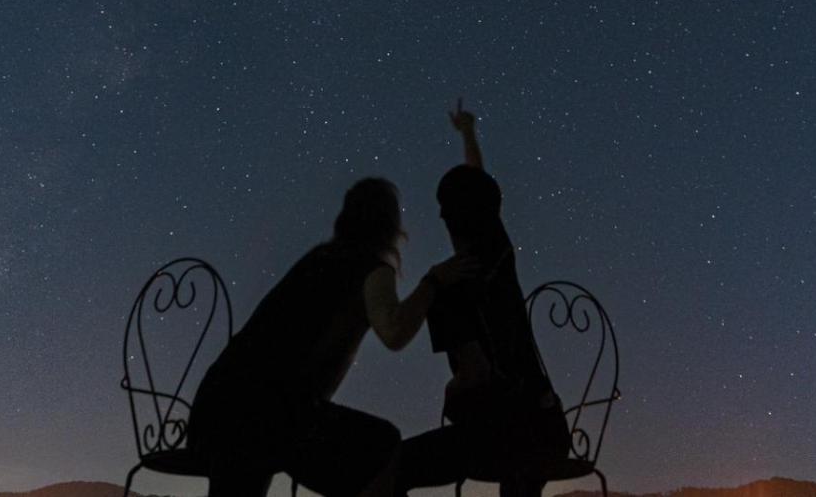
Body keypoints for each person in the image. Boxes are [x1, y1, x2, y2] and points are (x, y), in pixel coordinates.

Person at [190, 177, 475, 497]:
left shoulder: (318, 258)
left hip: (215, 407)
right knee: (383, 445)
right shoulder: (372, 269)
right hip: (271, 414)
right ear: (390, 225)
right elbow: (394, 332)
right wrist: (432, 283)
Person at [396, 101, 570, 497]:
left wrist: (451, 390)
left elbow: (475, 377)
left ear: (447, 219)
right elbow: (478, 186)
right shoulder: (500, 254)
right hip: (549, 429)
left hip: (501, 438)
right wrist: (468, 133)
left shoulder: (447, 287)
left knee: (394, 466)